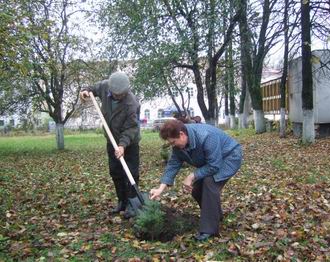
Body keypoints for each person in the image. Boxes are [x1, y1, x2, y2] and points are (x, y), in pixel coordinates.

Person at [150, 119, 242, 241]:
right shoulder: (179, 144)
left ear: (182, 135)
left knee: (209, 183)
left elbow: (214, 166)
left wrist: (192, 176)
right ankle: (215, 215)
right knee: (197, 190)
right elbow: (173, 164)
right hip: (212, 163)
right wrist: (160, 189)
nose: (173, 146)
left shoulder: (206, 136)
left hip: (229, 157)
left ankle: (209, 230)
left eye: (173, 142)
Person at [80, 71, 140, 219]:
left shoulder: (132, 103)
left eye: (121, 94)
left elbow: (131, 128)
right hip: (111, 139)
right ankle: (122, 202)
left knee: (130, 173)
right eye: (116, 94)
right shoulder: (105, 86)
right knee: (115, 171)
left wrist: (122, 146)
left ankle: (133, 204)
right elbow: (92, 88)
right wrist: (85, 91)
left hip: (130, 142)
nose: (119, 96)